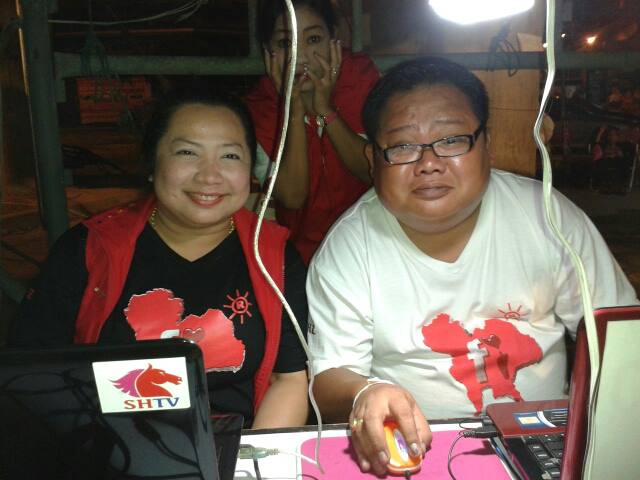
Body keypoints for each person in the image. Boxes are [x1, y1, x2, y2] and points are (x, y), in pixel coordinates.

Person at [306, 57, 639, 475]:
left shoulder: (549, 218)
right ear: (373, 158)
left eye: (451, 140)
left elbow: (619, 341)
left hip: (545, 441)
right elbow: (329, 377)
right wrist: (364, 393)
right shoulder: (348, 247)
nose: (429, 163)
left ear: (487, 144)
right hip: (414, 453)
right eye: (403, 146)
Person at [8, 89, 309, 429]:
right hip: (107, 442)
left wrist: (251, 456)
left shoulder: (274, 255)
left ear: (250, 170)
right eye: (187, 152)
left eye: (229, 156)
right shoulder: (89, 248)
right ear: (152, 164)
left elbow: (288, 379)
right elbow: (33, 372)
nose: (209, 176)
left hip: (236, 444)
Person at [244, 0, 380, 264]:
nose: (301, 57)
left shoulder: (360, 78)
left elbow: (372, 171)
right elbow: (292, 197)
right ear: (268, 52)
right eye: (286, 43)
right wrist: (294, 111)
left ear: (333, 40)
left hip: (373, 240)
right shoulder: (260, 108)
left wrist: (325, 111)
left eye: (314, 39)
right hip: (303, 254)